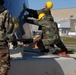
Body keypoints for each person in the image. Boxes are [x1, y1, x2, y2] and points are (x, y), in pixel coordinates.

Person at [0, 0, 14, 74]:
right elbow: (9, 30)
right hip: (1, 42)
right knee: (4, 64)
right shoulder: (5, 12)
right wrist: (14, 41)